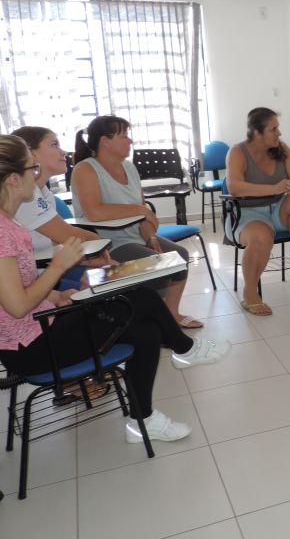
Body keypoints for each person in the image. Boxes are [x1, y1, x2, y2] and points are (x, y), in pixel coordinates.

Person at [0, 134, 231, 443]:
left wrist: (57, 294)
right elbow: (16, 305)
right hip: (30, 348)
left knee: (146, 330)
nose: (37, 173)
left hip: (41, 326)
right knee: (140, 298)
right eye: (33, 168)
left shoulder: (9, 224)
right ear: (14, 179)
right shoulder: (3, 231)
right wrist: (58, 267)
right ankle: (185, 350)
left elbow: (15, 288)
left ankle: (142, 421)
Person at [70, 115, 204, 329]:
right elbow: (94, 212)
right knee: (162, 265)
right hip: (107, 245)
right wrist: (141, 210)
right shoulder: (85, 169)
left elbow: (143, 215)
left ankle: (171, 315)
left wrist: (150, 236)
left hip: (135, 237)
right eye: (124, 136)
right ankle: (158, 321)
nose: (130, 141)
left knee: (181, 255)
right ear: (106, 141)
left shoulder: (129, 167)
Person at [225, 107, 290, 316]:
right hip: (245, 213)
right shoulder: (237, 152)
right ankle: (250, 293)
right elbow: (234, 187)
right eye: (274, 129)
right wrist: (274, 188)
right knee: (262, 236)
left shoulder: (281, 148)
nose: (279, 133)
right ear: (257, 133)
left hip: (277, 211)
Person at [13, 126, 113, 290]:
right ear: (31, 154)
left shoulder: (44, 193)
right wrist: (97, 240)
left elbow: (57, 244)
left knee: (117, 275)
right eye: (54, 145)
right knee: (114, 285)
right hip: (31, 281)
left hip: (47, 269)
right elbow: (70, 236)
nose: (63, 152)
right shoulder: (23, 195)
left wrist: (95, 258)